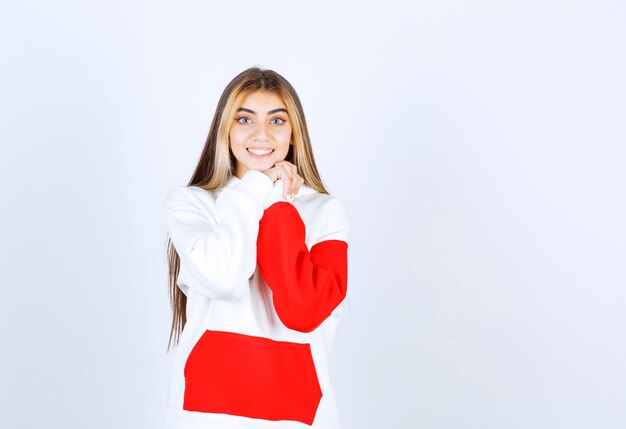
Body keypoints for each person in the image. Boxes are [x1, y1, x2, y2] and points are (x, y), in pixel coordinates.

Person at [163, 67, 350, 428]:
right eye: (244, 119)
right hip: (207, 409)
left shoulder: (325, 212)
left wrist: (279, 203)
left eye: (277, 120)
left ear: (294, 133)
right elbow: (222, 276)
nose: (261, 134)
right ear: (225, 130)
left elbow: (302, 310)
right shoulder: (192, 204)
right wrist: (255, 189)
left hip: (299, 411)